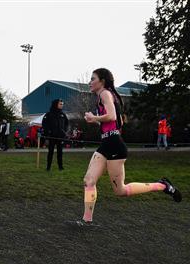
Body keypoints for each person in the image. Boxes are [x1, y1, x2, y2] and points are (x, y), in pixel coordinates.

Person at [80, 68, 181, 226]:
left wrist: (94, 117)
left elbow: (112, 116)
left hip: (115, 147)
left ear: (102, 81)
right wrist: (96, 120)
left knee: (120, 191)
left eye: (93, 79)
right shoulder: (105, 96)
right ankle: (87, 220)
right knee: (89, 181)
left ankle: (162, 186)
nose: (90, 82)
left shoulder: (105, 93)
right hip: (106, 145)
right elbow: (116, 121)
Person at [42, 99, 69, 171]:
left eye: (62, 104)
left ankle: (60, 167)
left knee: (60, 152)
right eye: (60, 104)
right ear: (56, 104)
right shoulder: (49, 114)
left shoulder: (63, 114)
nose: (62, 105)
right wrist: (48, 132)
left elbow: (66, 123)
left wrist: (64, 131)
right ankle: (48, 167)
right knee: (50, 152)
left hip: (60, 137)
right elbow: (44, 124)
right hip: (52, 137)